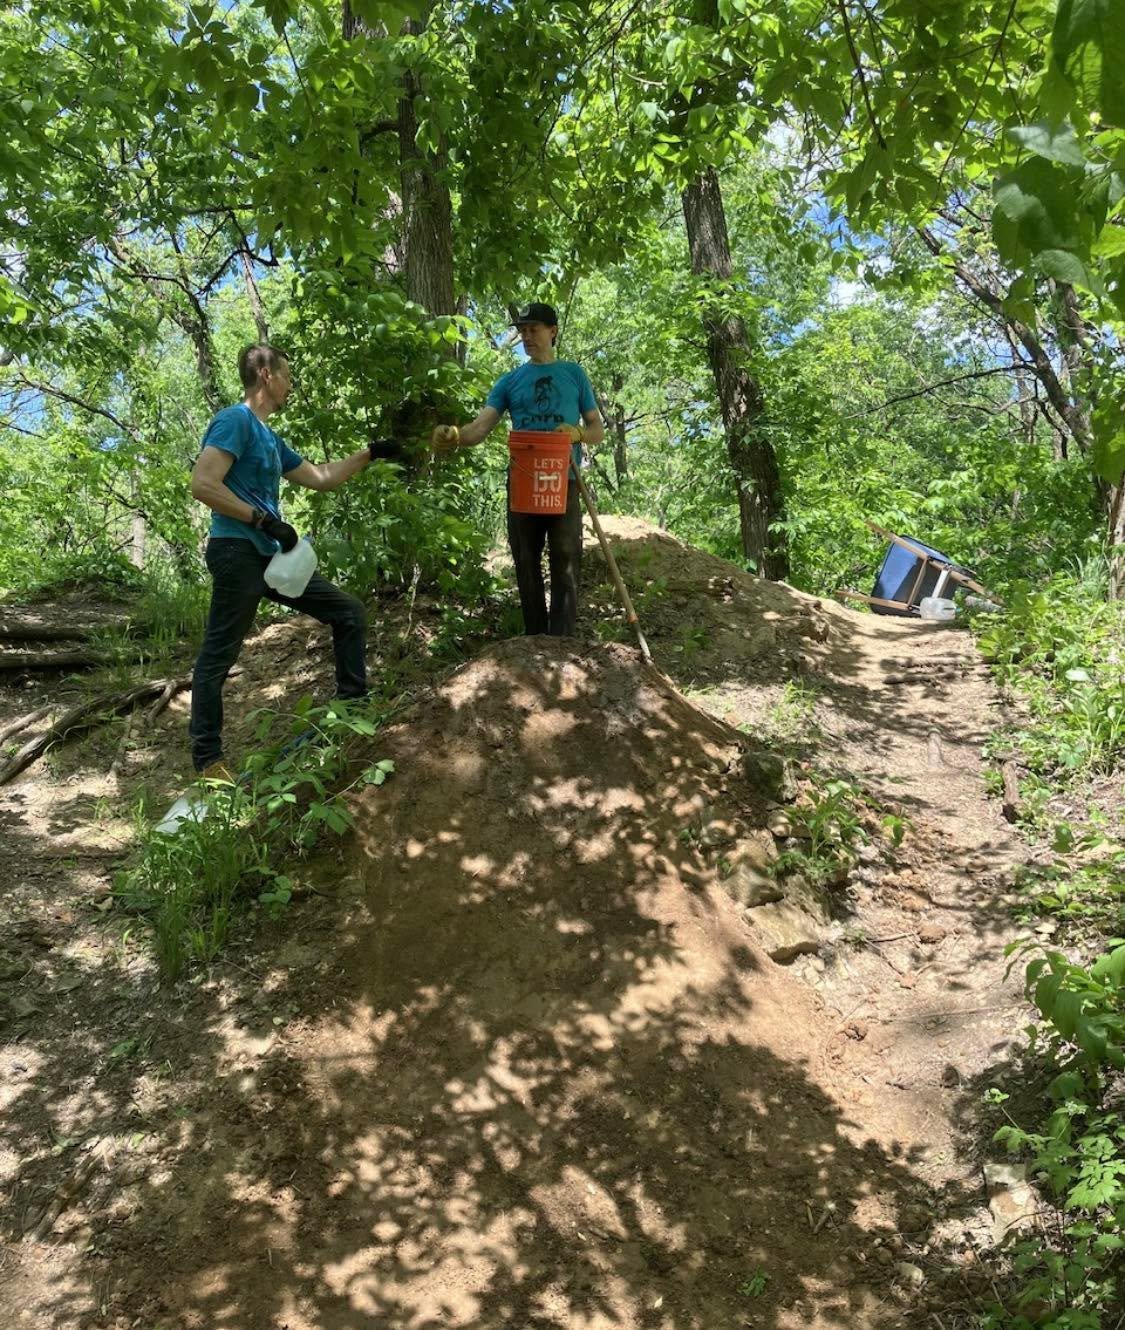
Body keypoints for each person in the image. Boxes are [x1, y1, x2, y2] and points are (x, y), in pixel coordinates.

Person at [188, 343, 401, 778]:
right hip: (237, 550)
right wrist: (262, 520)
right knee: (218, 656)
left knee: (348, 612)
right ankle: (208, 761)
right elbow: (203, 484)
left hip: (270, 556)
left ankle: (351, 704)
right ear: (265, 374)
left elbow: (320, 478)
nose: (290, 385)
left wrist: (370, 454)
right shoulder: (236, 421)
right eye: (286, 375)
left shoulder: (269, 438)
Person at [430, 302, 604, 637]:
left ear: (552, 332)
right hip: (523, 482)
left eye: (533, 329)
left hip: (563, 480)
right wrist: (453, 436)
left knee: (566, 558)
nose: (526, 336)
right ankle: (535, 639)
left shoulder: (573, 374)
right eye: (522, 331)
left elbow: (597, 429)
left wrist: (579, 433)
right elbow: (480, 427)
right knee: (526, 559)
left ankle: (563, 639)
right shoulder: (510, 381)